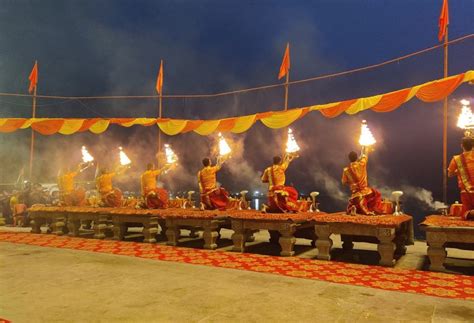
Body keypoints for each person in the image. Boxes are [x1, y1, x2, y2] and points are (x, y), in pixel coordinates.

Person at [342, 150, 383, 215]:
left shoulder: (346, 170)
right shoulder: (361, 164)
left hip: (355, 194)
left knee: (357, 202)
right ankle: (371, 209)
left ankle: (354, 208)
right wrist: (364, 148)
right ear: (357, 157)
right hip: (366, 192)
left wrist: (353, 183)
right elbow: (365, 155)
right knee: (376, 194)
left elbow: (344, 182)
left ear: (349, 158)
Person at [448, 137, 474, 220]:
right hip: (466, 192)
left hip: (466, 192)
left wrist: (459, 171)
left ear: (461, 146)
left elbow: (450, 174)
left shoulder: (456, 159)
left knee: (466, 215)